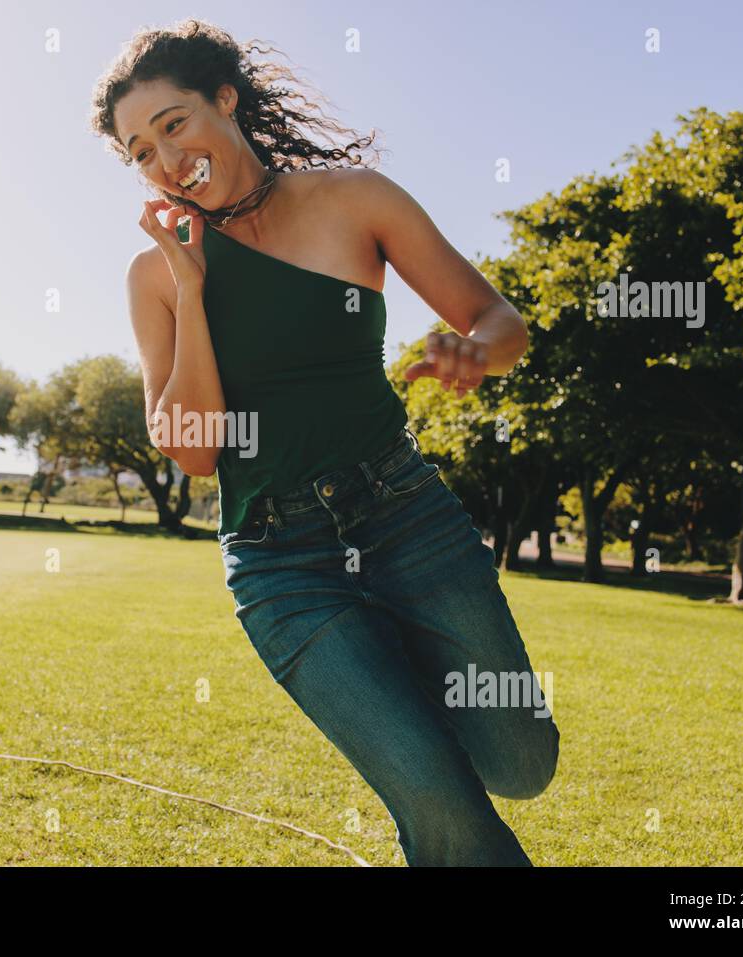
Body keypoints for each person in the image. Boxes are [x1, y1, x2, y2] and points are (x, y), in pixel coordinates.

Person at [92, 19, 559, 865]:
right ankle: (402, 731)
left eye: (173, 124)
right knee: (435, 797)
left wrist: (474, 352)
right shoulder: (153, 277)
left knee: (521, 763)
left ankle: (404, 684)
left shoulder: (353, 199)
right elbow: (194, 450)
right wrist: (192, 293)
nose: (163, 159)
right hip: (283, 562)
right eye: (138, 151)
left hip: (406, 517)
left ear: (224, 100)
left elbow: (500, 321)